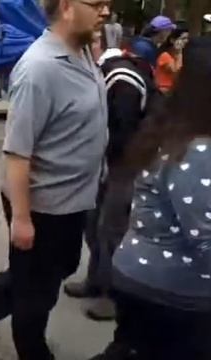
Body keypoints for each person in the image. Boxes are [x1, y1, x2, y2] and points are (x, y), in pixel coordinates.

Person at [0, 0, 109, 357]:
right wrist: (22, 219)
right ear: (68, 7)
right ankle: (32, 348)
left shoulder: (82, 53)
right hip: (44, 205)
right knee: (37, 292)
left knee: (61, 266)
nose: (105, 11)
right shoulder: (39, 69)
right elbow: (17, 152)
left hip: (75, 199)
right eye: (98, 3)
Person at [91, 36, 211, 360]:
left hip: (144, 280)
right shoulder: (197, 150)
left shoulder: (174, 130)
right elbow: (206, 240)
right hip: (171, 291)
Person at [64, 30, 161, 321]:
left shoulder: (120, 78)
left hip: (129, 160)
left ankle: (113, 296)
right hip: (113, 159)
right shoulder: (101, 72)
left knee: (112, 227)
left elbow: (124, 130)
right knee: (94, 222)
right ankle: (96, 280)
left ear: (98, 47)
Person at [154, 27, 188, 93]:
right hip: (164, 92)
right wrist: (179, 52)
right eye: (183, 38)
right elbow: (176, 71)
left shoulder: (179, 56)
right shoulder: (165, 56)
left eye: (187, 39)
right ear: (172, 40)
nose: (186, 41)